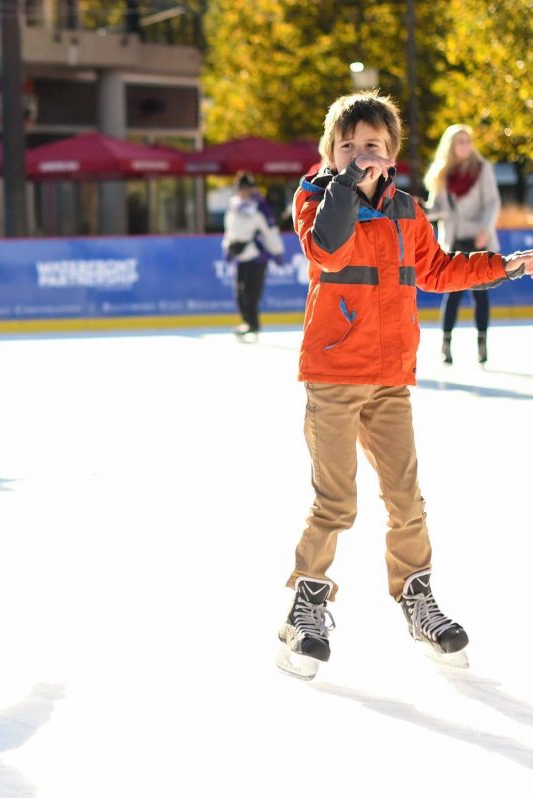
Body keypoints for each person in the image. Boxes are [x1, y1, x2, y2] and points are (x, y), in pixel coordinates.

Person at [275, 91, 533, 680]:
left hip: (390, 380)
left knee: (407, 501)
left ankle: (417, 600)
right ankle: (305, 609)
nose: (361, 154)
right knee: (336, 503)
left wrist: (506, 264)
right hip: (334, 376)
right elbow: (329, 252)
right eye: (348, 146)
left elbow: (438, 272)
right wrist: (342, 184)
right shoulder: (314, 199)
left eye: (373, 145)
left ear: (392, 154)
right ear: (329, 152)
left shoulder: (408, 211)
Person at [424, 124, 503, 364]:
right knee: (453, 295)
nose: (465, 146)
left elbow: (492, 203)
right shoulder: (442, 173)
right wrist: (422, 209)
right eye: (460, 142)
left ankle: (482, 344)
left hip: (479, 238)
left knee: (481, 295)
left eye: (468, 141)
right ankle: (446, 344)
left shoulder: (482, 169)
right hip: (454, 239)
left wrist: (485, 229)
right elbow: (437, 208)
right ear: (451, 145)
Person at [221, 172, 285, 339]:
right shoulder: (234, 206)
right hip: (240, 256)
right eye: (242, 189)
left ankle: (253, 324)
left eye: (248, 189)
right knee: (240, 294)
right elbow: (230, 230)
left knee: (252, 293)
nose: (245, 192)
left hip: (257, 256)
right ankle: (246, 322)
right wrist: (227, 248)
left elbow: (270, 232)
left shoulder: (260, 207)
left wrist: (277, 251)